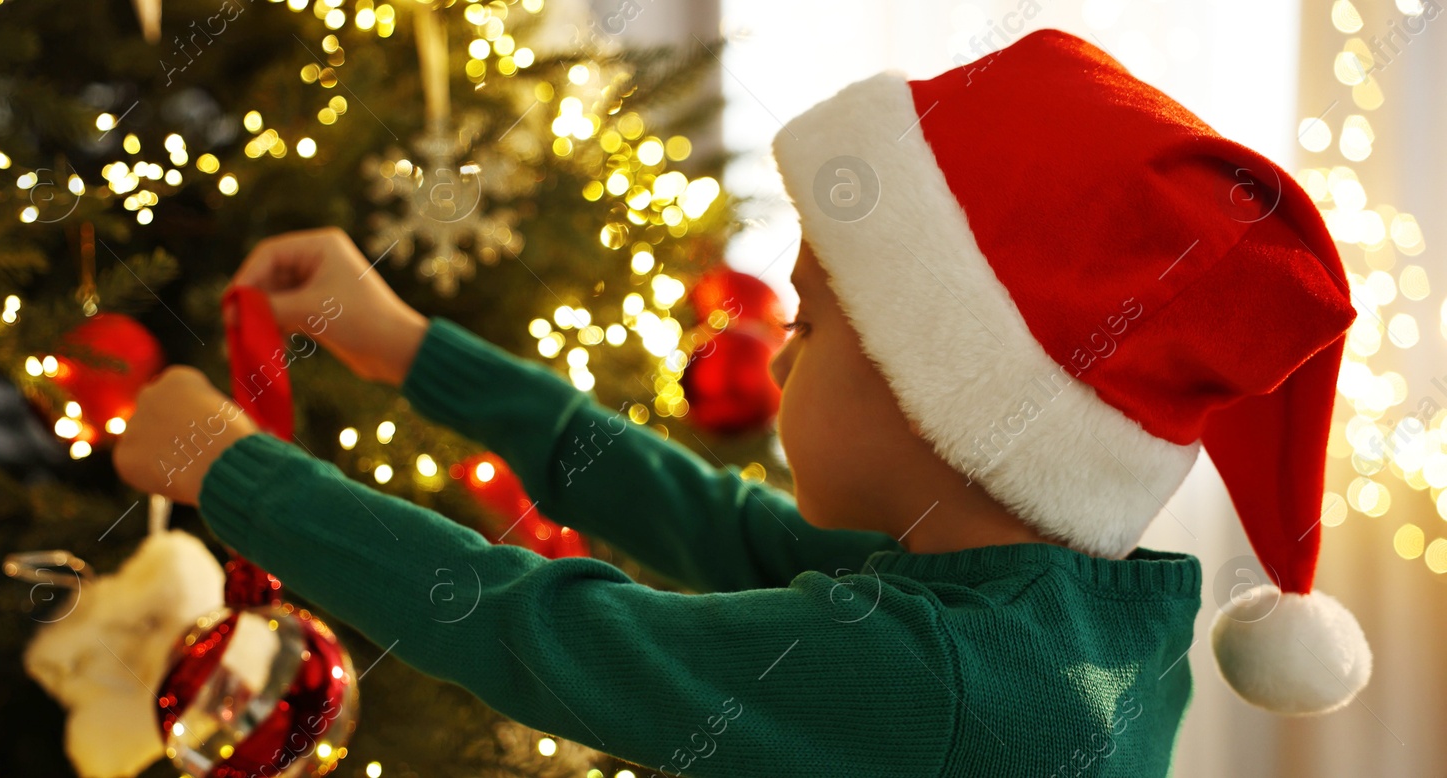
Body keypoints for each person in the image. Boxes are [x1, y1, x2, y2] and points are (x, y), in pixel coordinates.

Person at [115, 29, 1372, 776]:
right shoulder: (1059, 610)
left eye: (813, 327)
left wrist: (235, 468)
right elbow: (709, 519)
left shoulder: (933, 681)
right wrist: (404, 345)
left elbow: (536, 631)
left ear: (952, 403)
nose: (773, 356)